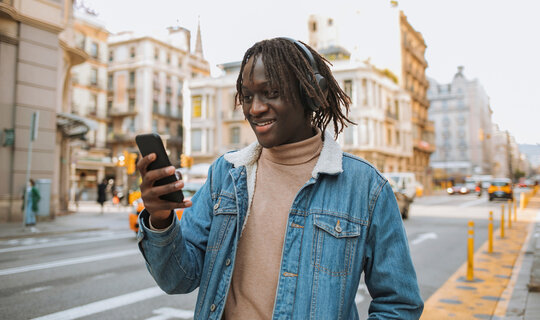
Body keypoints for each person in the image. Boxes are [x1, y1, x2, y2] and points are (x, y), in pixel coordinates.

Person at [136, 38, 423, 319]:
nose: (255, 108)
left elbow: (399, 304)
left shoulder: (366, 188)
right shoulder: (225, 174)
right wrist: (159, 219)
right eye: (247, 97)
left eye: (270, 92)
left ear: (312, 93)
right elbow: (178, 280)